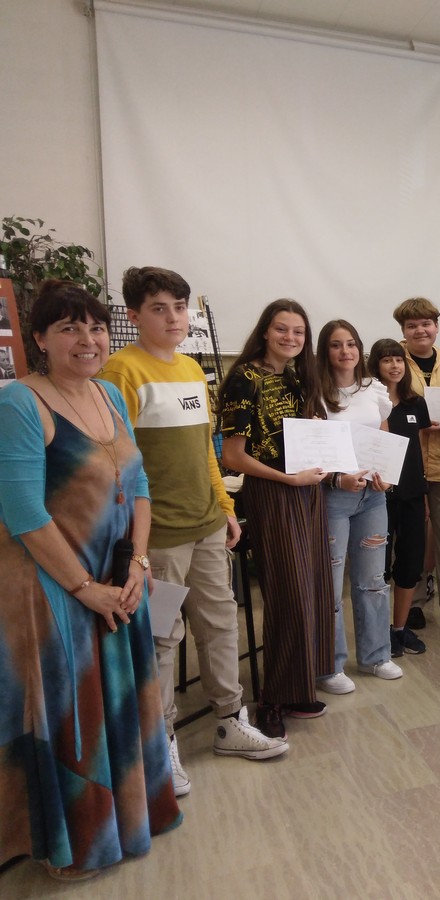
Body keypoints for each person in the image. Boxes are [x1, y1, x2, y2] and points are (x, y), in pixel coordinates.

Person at [0, 280, 181, 879]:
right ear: (40, 338)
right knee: (72, 713)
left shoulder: (109, 393)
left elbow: (140, 486)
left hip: (118, 580)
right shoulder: (20, 402)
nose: (87, 339)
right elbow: (24, 514)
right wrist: (85, 588)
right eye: (69, 328)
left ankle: (127, 822)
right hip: (53, 590)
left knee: (118, 703)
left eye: (96, 327)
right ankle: (77, 845)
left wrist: (138, 563)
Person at [101, 267, 286, 800]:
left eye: (179, 308)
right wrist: (135, 541)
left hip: (206, 526)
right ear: (134, 316)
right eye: (159, 309)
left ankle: (230, 721)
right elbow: (116, 462)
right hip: (157, 537)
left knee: (221, 623)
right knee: (162, 639)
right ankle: (160, 742)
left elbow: (207, 448)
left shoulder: (189, 369)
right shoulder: (120, 371)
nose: (173, 318)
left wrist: (225, 507)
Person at [219, 298, 335, 739]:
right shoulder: (244, 379)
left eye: (298, 331)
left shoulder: (298, 377)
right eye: (282, 329)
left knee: (312, 587)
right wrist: (289, 479)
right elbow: (233, 457)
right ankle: (271, 699)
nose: (290, 337)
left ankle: (298, 687)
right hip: (273, 491)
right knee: (287, 593)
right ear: (265, 331)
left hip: (307, 489)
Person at [314, 320, 403, 692]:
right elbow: (312, 449)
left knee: (372, 580)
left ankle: (376, 656)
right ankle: (330, 666)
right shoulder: (315, 392)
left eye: (351, 344)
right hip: (333, 497)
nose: (345, 351)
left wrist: (386, 474)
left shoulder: (372, 389)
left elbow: (382, 433)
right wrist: (338, 479)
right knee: (330, 585)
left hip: (373, 497)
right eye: (336, 345)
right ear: (325, 350)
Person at [392, 297, 440, 626]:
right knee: (410, 541)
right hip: (406, 467)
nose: (420, 330)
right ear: (403, 330)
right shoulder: (392, 362)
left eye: (426, 324)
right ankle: (412, 604)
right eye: (412, 326)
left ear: (436, 327)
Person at [368, 339, 431, 658]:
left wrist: (425, 495)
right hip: (378, 497)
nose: (394, 365)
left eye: (398, 360)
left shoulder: (415, 403)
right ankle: (378, 631)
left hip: (413, 494)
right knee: (378, 567)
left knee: (411, 563)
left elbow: (420, 449)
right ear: (375, 365)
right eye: (386, 360)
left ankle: (399, 629)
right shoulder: (368, 404)